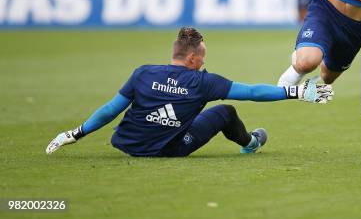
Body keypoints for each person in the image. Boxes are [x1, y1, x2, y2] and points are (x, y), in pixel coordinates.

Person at [46, 27, 333, 157]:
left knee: (187, 116)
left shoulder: (143, 72)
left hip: (129, 145)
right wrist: (296, 93)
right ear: (192, 59)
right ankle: (251, 143)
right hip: (170, 148)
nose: (204, 60)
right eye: (203, 56)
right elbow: (251, 92)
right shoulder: (203, 82)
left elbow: (111, 110)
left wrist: (76, 132)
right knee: (226, 112)